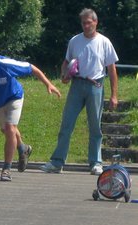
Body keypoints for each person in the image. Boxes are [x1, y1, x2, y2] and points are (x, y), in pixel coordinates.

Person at [40, 8, 118, 175]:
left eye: (89, 22)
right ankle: (57, 161)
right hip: (77, 85)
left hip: (95, 85)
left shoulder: (104, 42)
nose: (86, 26)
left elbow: (111, 69)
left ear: (95, 22)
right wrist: (64, 74)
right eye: (83, 23)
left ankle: (96, 162)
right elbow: (66, 62)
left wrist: (113, 95)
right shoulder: (75, 41)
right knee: (66, 123)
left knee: (95, 126)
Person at [0, 44, 61, 181]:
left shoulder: (5, 64)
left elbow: (31, 68)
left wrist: (48, 84)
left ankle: (6, 169)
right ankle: (23, 148)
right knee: (6, 130)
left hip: (14, 97)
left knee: (10, 129)